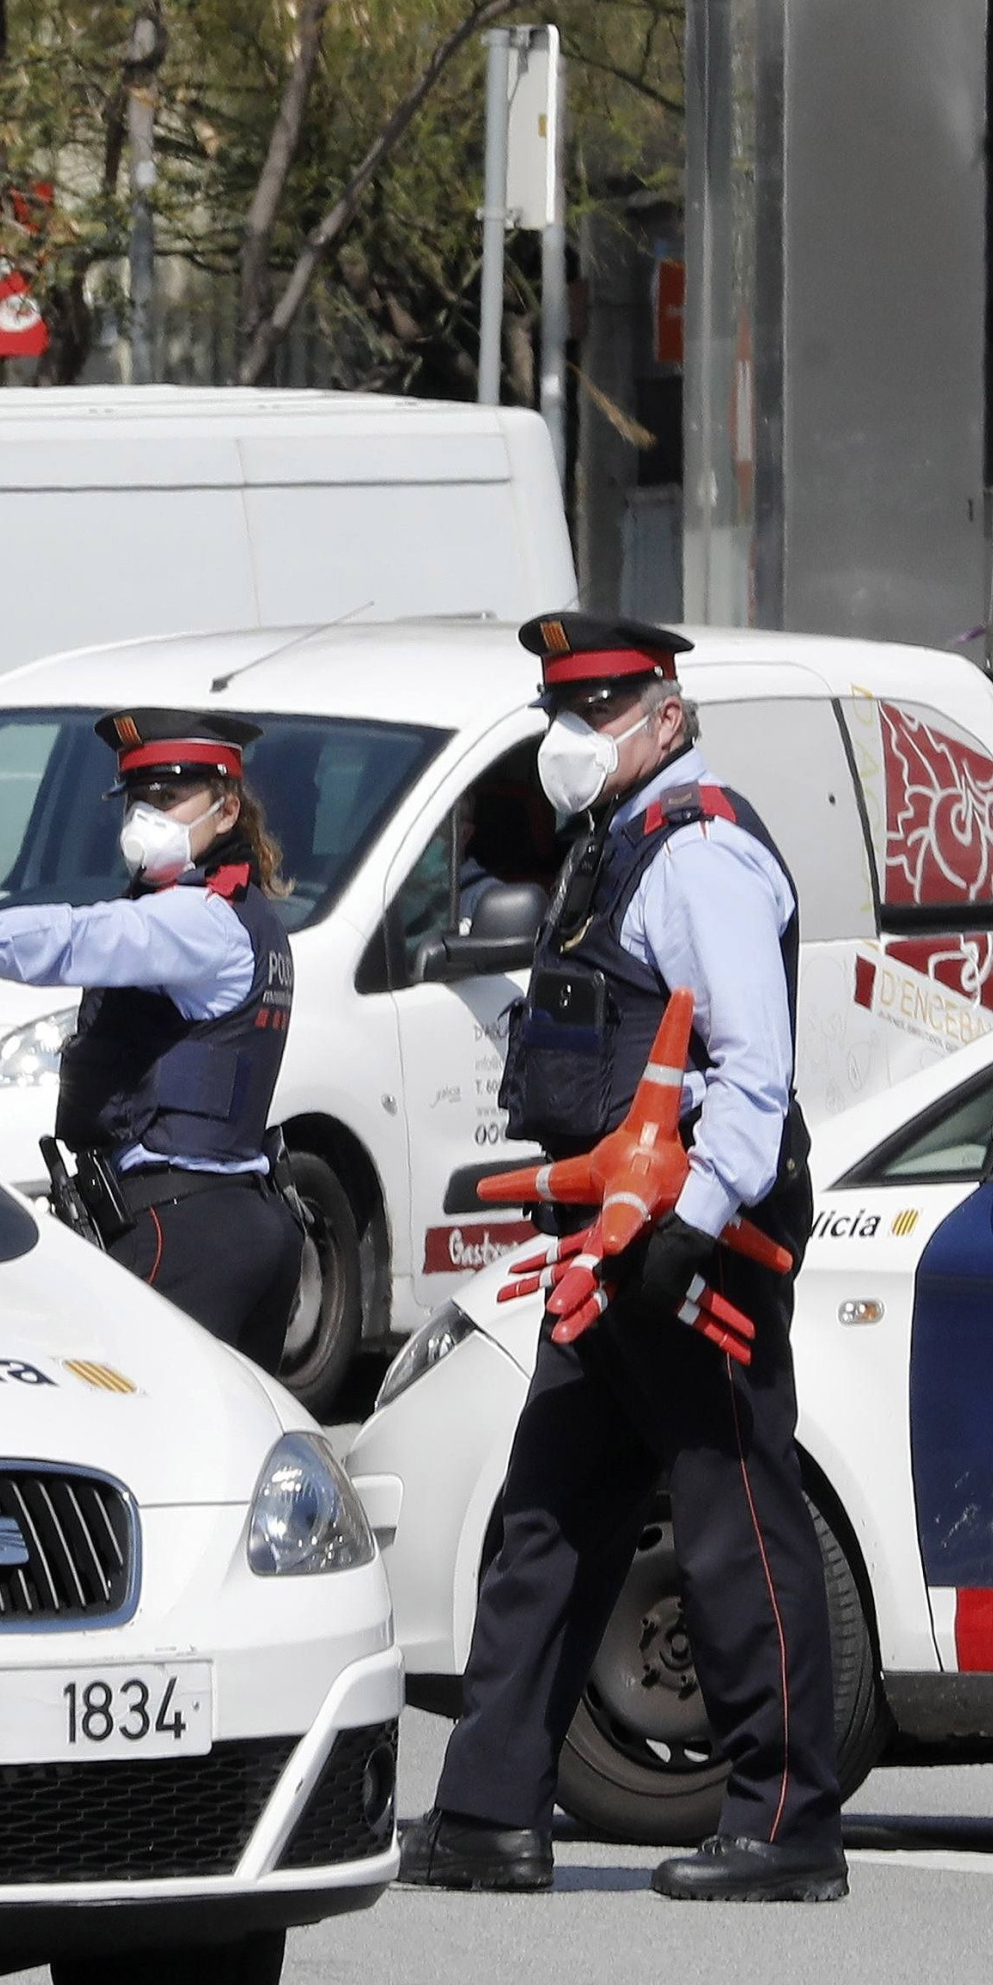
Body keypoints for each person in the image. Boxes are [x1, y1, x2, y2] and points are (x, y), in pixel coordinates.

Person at [399, 616, 845, 1904]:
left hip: (697, 1235)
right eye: (559, 711)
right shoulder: (619, 842)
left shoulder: (700, 850)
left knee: (732, 1523)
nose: (567, 739)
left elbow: (754, 1079)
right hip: (606, 1237)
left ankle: (784, 1821)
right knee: (542, 1514)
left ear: (663, 712)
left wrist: (692, 1227)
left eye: (594, 713)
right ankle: (489, 1811)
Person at [0, 711, 300, 1366]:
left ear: (226, 812)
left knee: (121, 1424)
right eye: (139, 800)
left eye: (170, 798)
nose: (148, 815)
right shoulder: (248, 915)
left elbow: (75, 938)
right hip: (244, 1223)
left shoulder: (199, 920)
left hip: (184, 1229)